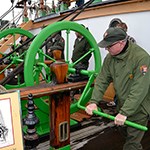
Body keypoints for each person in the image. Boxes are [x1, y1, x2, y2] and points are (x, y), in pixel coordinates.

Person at [85, 27, 150, 150]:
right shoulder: (110, 58)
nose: (106, 49)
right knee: (124, 132)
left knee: (132, 144)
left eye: (109, 46)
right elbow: (102, 80)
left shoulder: (141, 58)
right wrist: (94, 102)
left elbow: (139, 89)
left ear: (121, 42)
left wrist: (125, 112)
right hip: (121, 104)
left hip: (139, 108)